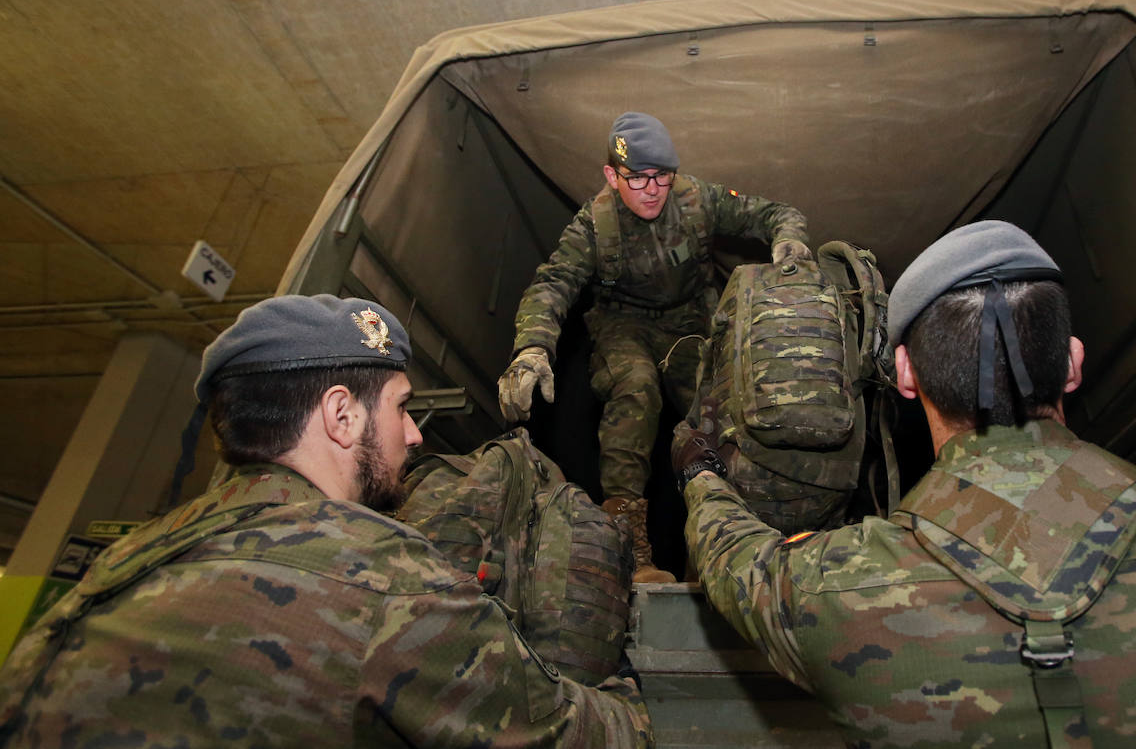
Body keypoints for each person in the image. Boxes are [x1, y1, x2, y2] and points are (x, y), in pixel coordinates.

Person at [673, 221, 1136, 748]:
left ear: (904, 376)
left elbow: (734, 558)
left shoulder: (832, 591)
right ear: (1075, 363)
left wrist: (701, 472)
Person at [0, 295, 652, 748]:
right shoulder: (388, 581)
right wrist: (619, 682)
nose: (416, 434)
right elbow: (583, 736)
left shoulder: (123, 563)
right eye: (400, 408)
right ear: (341, 416)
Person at [499, 111, 810, 583]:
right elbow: (553, 284)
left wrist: (789, 241)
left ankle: (738, 540)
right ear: (611, 175)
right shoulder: (594, 226)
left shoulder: (697, 200)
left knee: (721, 414)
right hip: (625, 325)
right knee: (636, 387)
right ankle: (629, 545)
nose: (651, 189)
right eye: (637, 178)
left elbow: (776, 213)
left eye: (661, 176)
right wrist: (533, 348)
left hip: (691, 320)